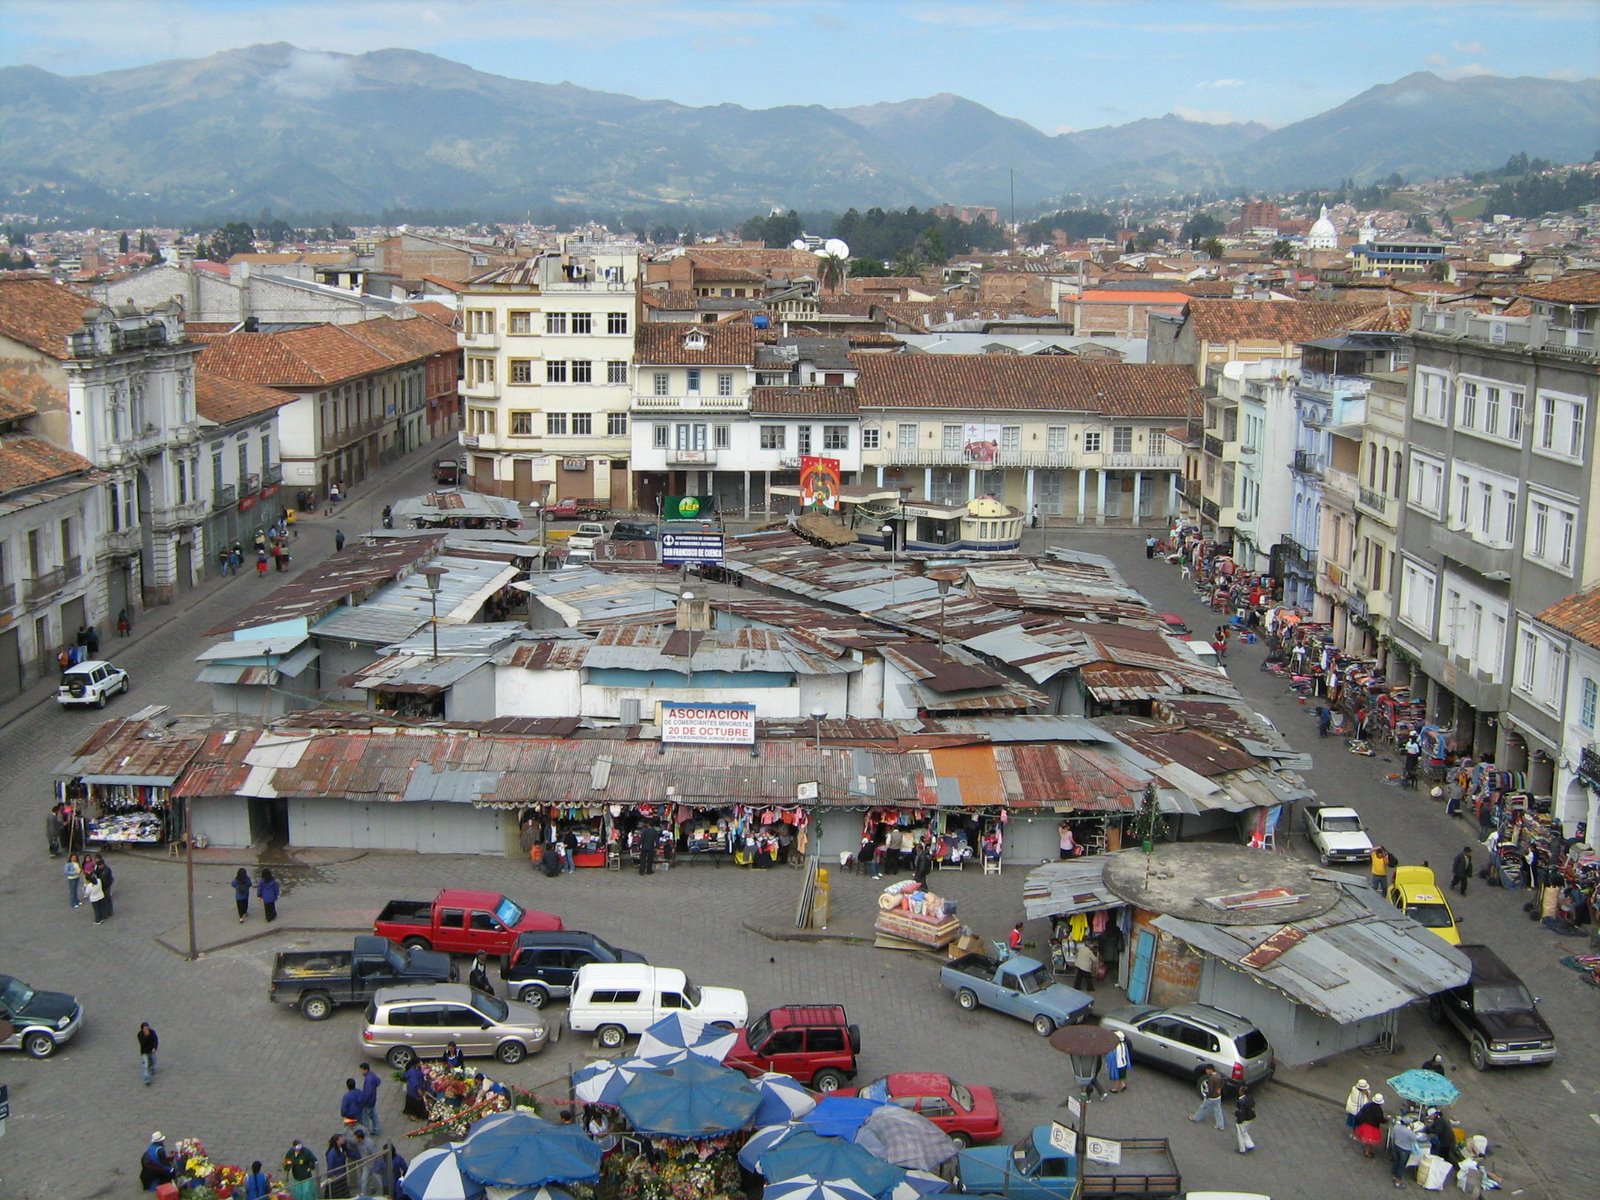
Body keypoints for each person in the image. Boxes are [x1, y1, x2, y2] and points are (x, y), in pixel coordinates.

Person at [1190, 1066, 1225, 1131]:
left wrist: (1207, 1096)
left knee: (1202, 1107)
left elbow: (1210, 1090)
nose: (1206, 1072)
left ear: (1210, 1070)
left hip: (1211, 1098)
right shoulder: (1218, 1075)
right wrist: (1220, 1088)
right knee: (1218, 1110)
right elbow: (1223, 1081)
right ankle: (1220, 1125)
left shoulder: (1211, 1079)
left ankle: (1195, 1117)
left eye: (1207, 1070)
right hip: (1218, 1097)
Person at [1353, 1093, 1386, 1158]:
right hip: (1373, 1127)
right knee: (1370, 1141)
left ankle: (1367, 1150)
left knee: (1368, 1141)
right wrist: (1386, 1120)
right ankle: (1367, 1152)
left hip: (1366, 1125)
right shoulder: (1379, 1110)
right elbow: (1381, 1119)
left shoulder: (1368, 1105)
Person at [1390, 1117, 1419, 1187]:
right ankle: (1398, 1181)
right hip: (1405, 1150)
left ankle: (1393, 1175)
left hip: (1396, 1146)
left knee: (1396, 1161)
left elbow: (1392, 1137)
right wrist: (1412, 1130)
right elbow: (1414, 1140)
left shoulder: (1396, 1127)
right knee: (1402, 1165)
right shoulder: (1410, 1132)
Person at [358, 1060, 383, 1135]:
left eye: (361, 1070)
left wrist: (363, 1102)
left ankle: (365, 1133)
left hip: (368, 1102)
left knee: (365, 1118)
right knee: (374, 1115)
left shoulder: (368, 1080)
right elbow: (378, 1081)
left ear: (365, 1070)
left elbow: (367, 1093)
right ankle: (377, 1130)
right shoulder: (372, 1075)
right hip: (373, 1100)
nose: (361, 1072)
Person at [324, 1133, 352, 1200]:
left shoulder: (342, 1148)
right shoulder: (332, 1153)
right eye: (341, 1138)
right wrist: (332, 1176)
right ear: (337, 1141)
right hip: (336, 1175)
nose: (343, 1139)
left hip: (342, 1173)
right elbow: (330, 1166)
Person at [1233, 1085, 1256, 1154]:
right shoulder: (1250, 1097)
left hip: (1244, 1120)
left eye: (1240, 1090)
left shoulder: (1241, 1102)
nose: (1238, 1091)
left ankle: (1242, 1149)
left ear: (1242, 1092)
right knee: (1244, 1131)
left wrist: (1239, 1121)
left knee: (1240, 1134)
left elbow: (1241, 1113)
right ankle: (1250, 1144)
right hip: (1251, 1118)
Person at [137, 1021, 158, 1085]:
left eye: (147, 1028)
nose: (146, 1030)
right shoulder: (140, 1035)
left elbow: (155, 1040)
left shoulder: (152, 1032)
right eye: (145, 1029)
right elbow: (142, 1043)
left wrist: (155, 1047)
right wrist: (146, 1036)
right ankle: (147, 1080)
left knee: (153, 1061)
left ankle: (152, 1069)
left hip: (151, 1051)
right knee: (145, 1066)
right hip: (144, 1052)